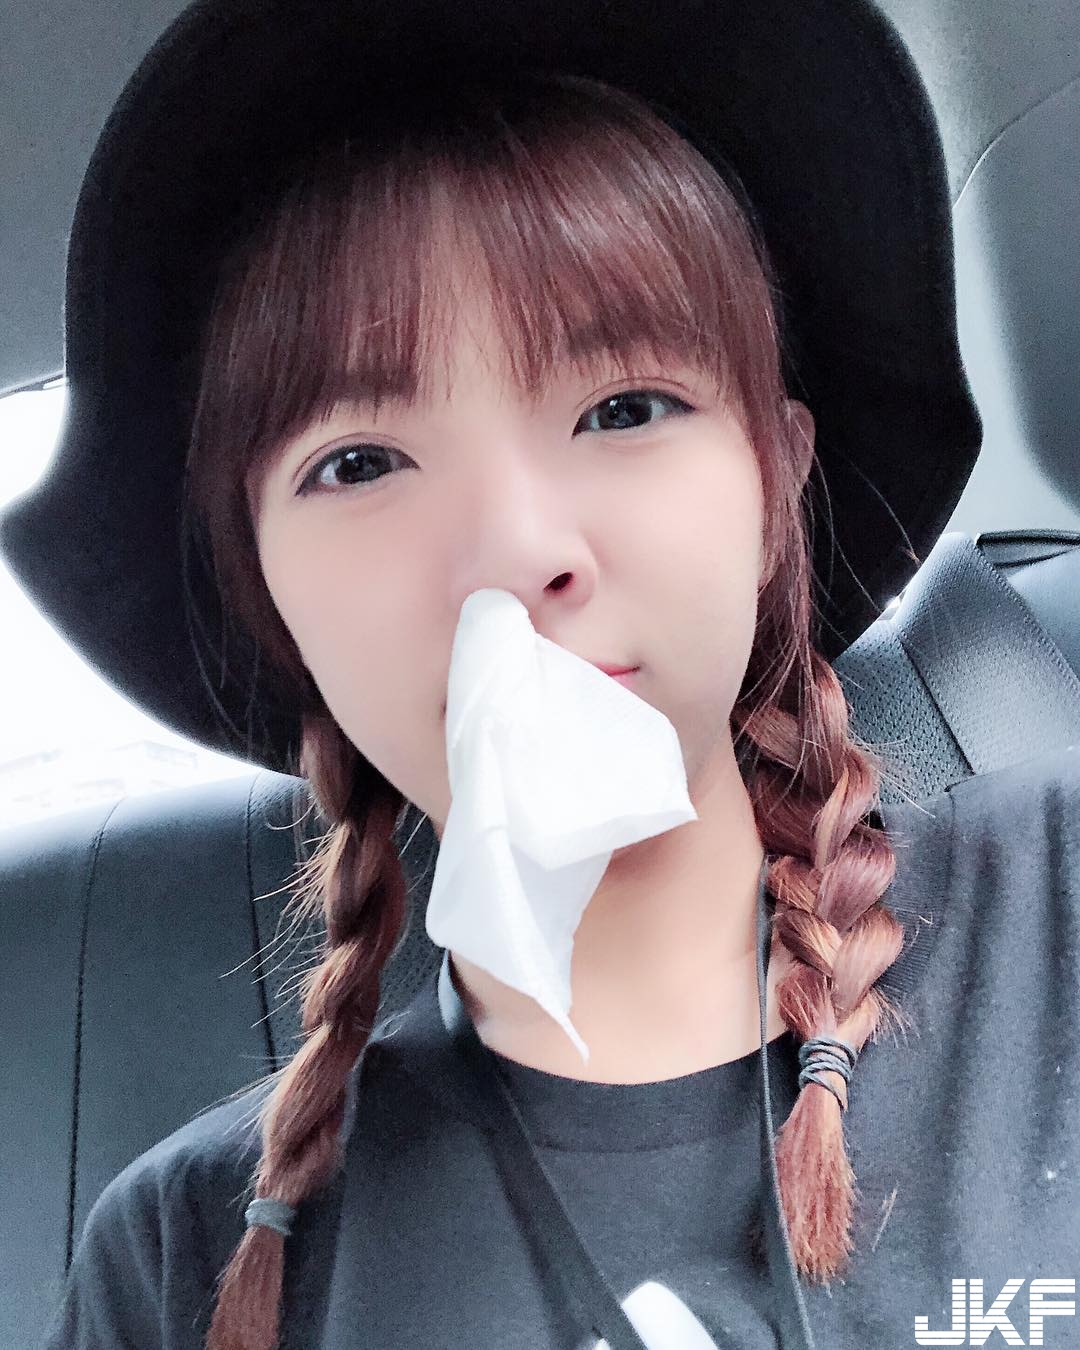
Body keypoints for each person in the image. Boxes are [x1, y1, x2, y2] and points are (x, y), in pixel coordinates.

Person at [1, 1, 1076, 1348]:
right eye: (359, 462)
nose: (515, 552)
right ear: (267, 597)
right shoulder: (178, 1261)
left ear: (776, 486)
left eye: (625, 409)